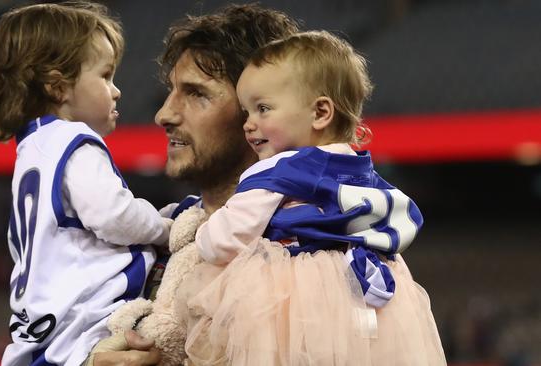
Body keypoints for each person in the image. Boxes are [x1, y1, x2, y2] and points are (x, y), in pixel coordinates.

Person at [183, 30, 446, 365]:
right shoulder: (363, 172)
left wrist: (203, 231)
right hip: (372, 301)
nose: (248, 125)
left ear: (321, 112)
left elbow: (221, 241)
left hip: (296, 302)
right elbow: (405, 223)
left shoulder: (280, 170)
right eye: (247, 112)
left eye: (263, 109)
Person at [0, 2, 172, 365]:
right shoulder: (72, 139)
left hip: (41, 329)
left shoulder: (31, 149)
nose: (116, 90)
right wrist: (166, 228)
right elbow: (114, 216)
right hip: (84, 328)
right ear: (59, 88)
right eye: (106, 76)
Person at [92, 3, 300, 365]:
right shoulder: (164, 232)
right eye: (172, 91)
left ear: (260, 109)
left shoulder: (313, 245)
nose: (165, 114)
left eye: (196, 93)